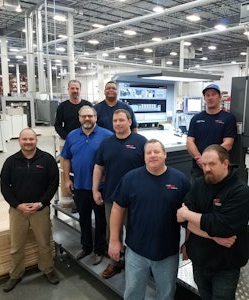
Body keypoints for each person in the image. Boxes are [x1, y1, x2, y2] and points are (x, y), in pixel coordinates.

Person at [108, 139, 190, 300]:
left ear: (165, 154)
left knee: (166, 294)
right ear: (143, 157)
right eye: (148, 152)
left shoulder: (180, 181)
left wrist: (188, 242)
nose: (153, 155)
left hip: (167, 252)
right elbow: (117, 209)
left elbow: (189, 216)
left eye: (156, 151)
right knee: (133, 293)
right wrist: (114, 240)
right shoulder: (130, 179)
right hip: (136, 251)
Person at [176, 144, 249, 300]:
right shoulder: (199, 184)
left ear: (225, 163)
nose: (207, 169)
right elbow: (181, 220)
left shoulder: (240, 191)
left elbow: (223, 226)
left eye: (212, 164)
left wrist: (188, 214)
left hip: (225, 266)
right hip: (199, 260)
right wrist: (213, 236)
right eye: (204, 164)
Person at [0, 128, 60, 292]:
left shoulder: (47, 160)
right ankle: (15, 274)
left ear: (36, 140)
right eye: (24, 139)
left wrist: (41, 203)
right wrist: (17, 205)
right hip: (18, 211)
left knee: (44, 243)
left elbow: (53, 184)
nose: (28, 142)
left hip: (40, 210)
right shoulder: (11, 162)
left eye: (31, 139)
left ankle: (48, 269)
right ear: (19, 140)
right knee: (16, 245)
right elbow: (5, 186)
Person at [92, 109, 147, 279]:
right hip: (112, 197)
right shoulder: (106, 143)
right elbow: (98, 167)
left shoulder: (141, 142)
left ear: (130, 121)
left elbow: (151, 168)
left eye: (121, 120)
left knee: (136, 232)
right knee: (113, 232)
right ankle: (114, 262)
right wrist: (95, 189)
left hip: (136, 199)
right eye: (115, 121)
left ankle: (136, 264)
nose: (117, 123)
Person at [61, 106, 112, 264]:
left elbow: (112, 160)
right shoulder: (72, 136)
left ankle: (99, 249)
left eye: (90, 116)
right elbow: (66, 158)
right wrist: (67, 180)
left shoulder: (107, 136)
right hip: (80, 186)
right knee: (83, 218)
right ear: (79, 118)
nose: (87, 119)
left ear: (96, 117)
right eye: (84, 116)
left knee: (101, 219)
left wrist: (108, 176)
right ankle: (86, 246)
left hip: (100, 188)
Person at [54, 79, 93, 213]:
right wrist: (69, 137)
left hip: (87, 140)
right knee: (71, 171)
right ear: (68, 90)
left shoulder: (87, 105)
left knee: (86, 169)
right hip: (70, 142)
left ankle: (89, 198)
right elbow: (57, 125)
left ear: (80, 90)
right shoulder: (62, 107)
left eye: (77, 88)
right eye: (72, 88)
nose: (75, 91)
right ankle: (77, 201)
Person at [186, 83, 237, 181]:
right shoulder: (196, 119)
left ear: (219, 97)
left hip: (218, 169)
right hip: (198, 169)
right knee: (197, 195)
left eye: (213, 94)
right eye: (207, 95)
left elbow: (228, 143)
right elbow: (189, 142)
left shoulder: (228, 118)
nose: (210, 98)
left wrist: (209, 160)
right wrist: (199, 159)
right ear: (204, 98)